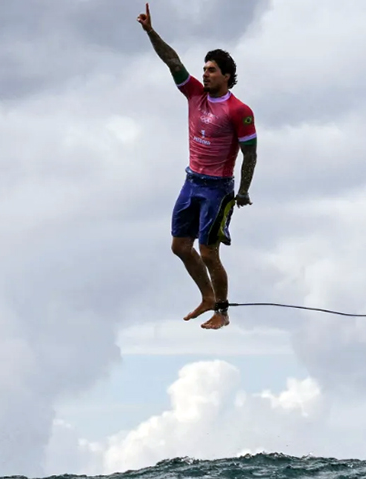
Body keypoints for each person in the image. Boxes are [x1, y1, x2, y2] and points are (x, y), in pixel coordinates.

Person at [137, 3, 258, 330]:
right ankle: (206, 296)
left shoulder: (239, 110)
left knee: (208, 252)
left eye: (211, 70)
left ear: (227, 76)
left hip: (218, 189)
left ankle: (222, 310)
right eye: (204, 69)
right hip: (192, 181)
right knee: (179, 246)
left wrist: (244, 190)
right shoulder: (194, 94)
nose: (204, 74)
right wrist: (150, 32)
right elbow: (172, 60)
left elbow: (250, 153)